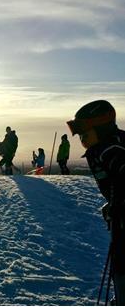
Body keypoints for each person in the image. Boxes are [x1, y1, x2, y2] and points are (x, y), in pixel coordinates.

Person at [67, 100, 125, 305]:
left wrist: (118, 205)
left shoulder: (111, 148)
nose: (79, 136)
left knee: (121, 263)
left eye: (83, 129)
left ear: (101, 125)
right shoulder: (105, 145)